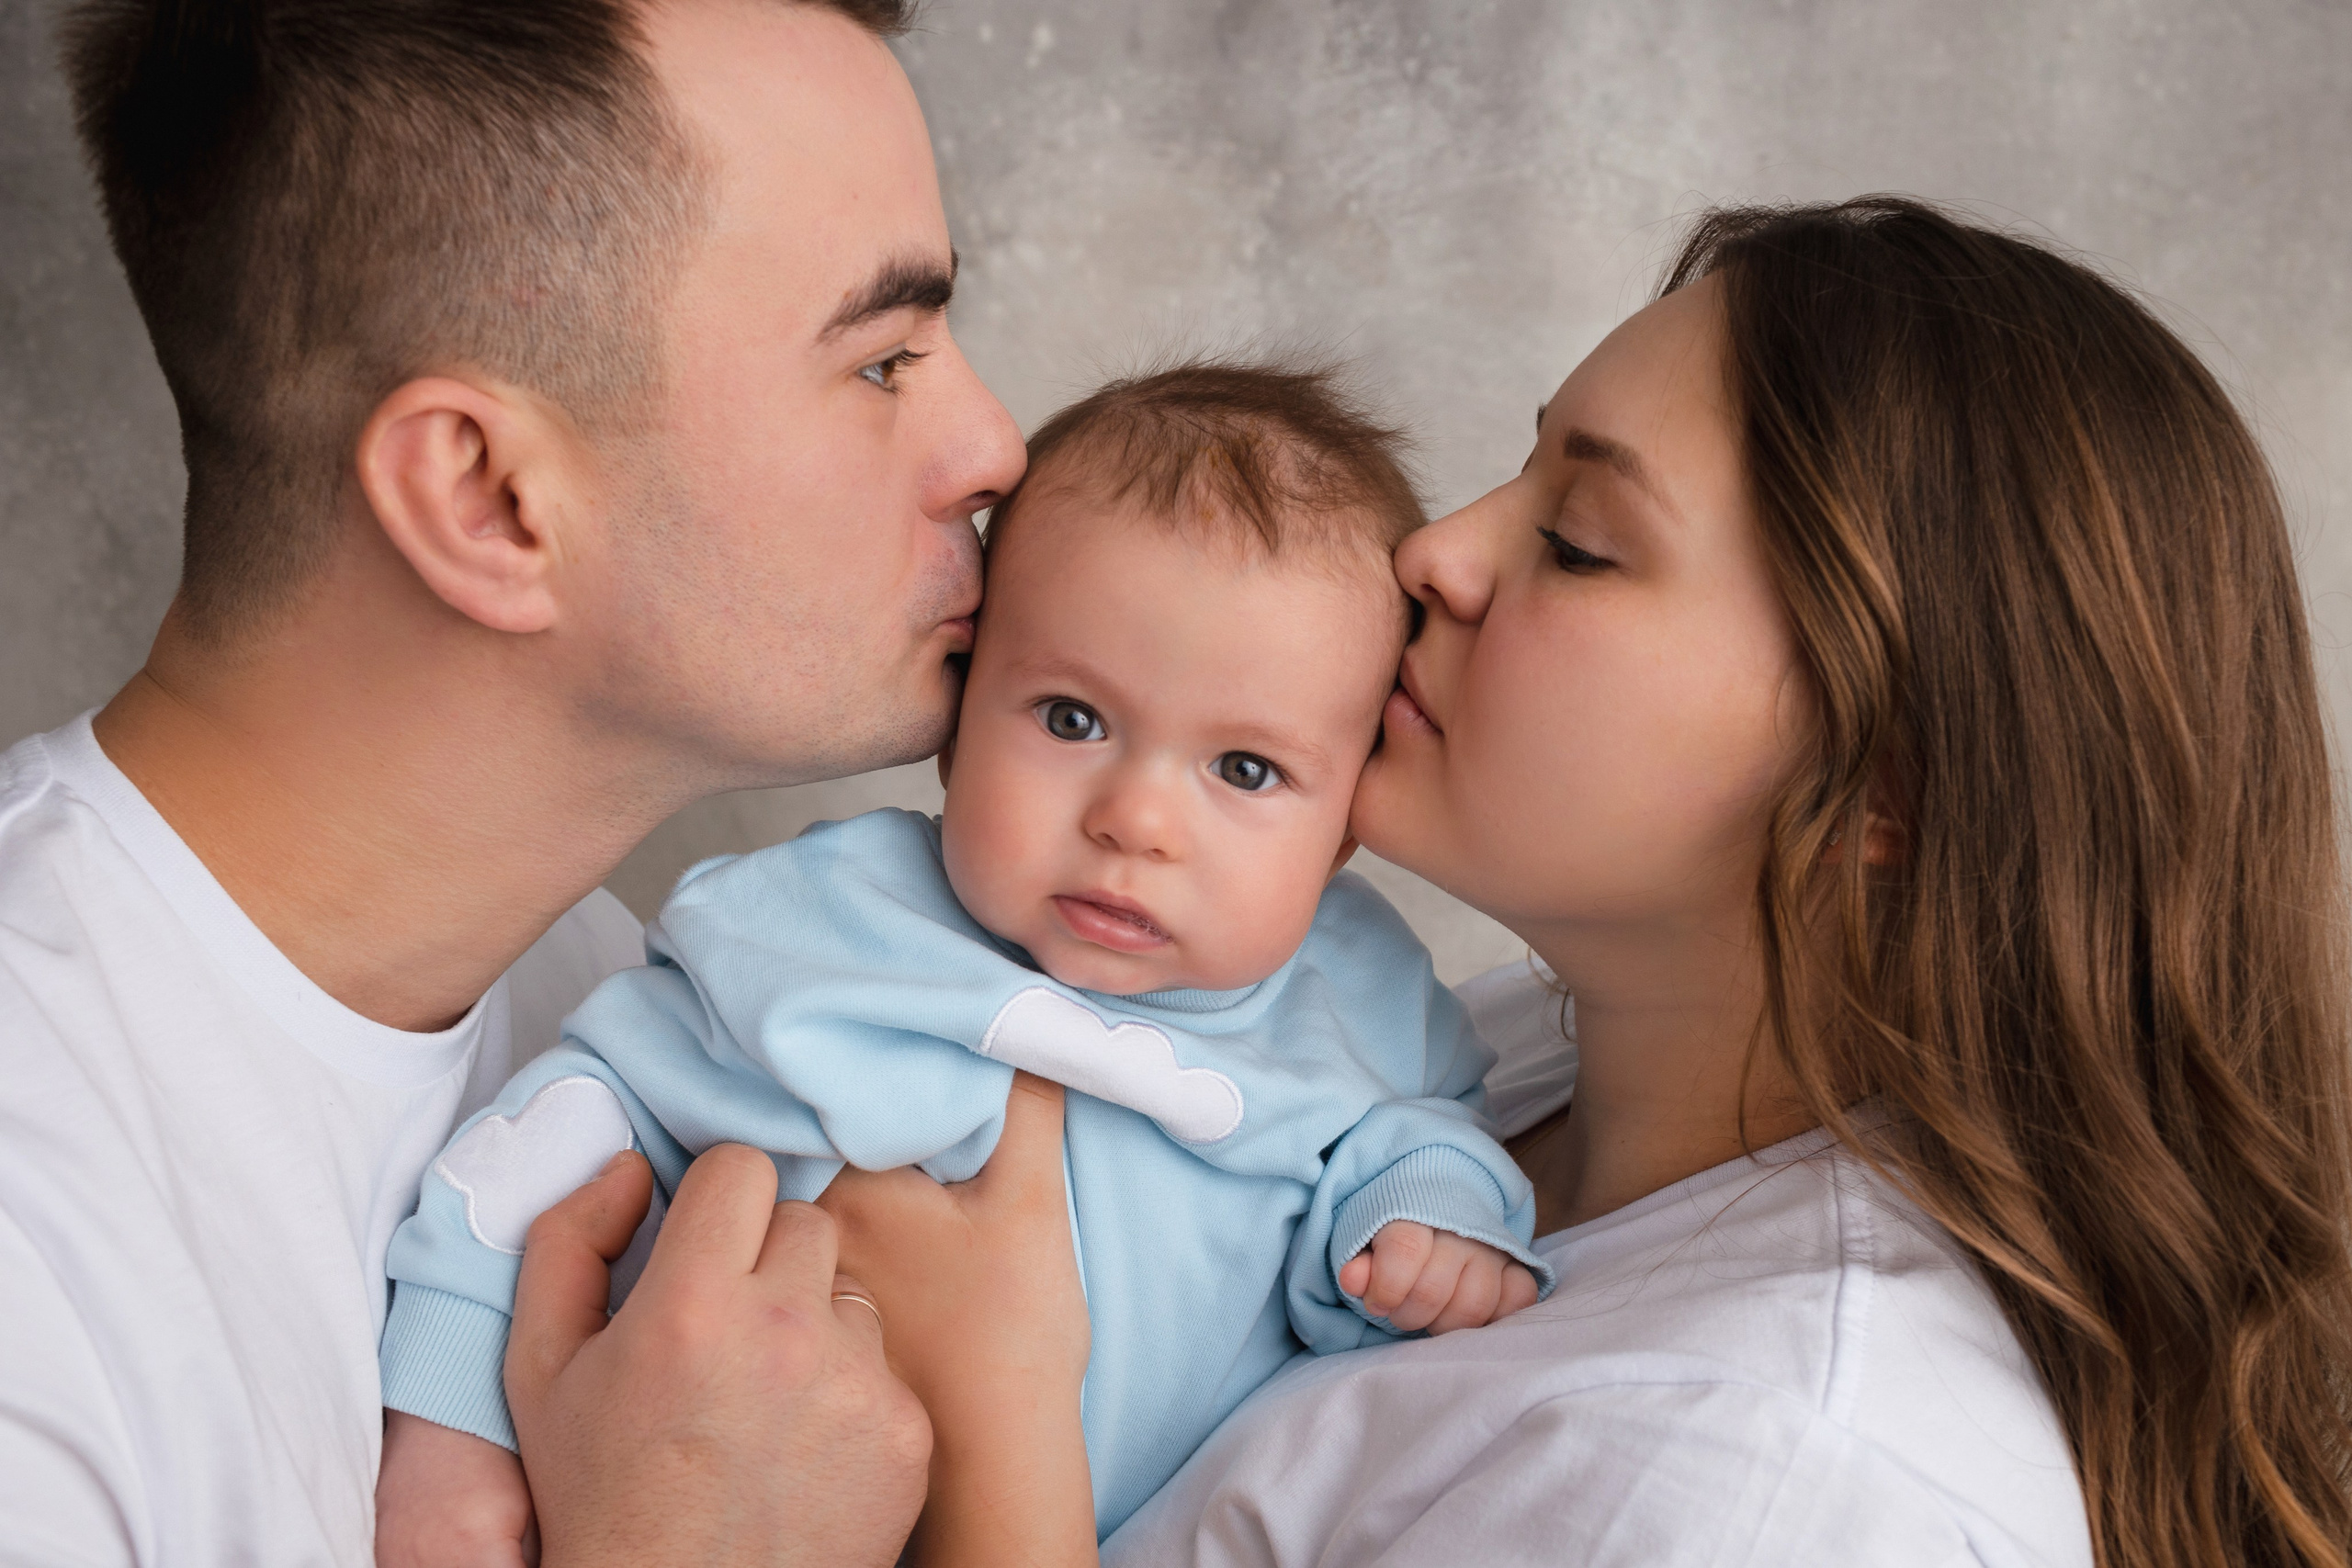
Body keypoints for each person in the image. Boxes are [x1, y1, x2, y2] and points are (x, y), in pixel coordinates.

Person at [819, 197, 2352, 1568]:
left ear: (1893, 788)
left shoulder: (1766, 1483)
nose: (1435, 556)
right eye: (1518, 467)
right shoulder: (1513, 1058)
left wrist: (994, 1414)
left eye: (1578, 542)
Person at [0, 0, 1026, 1562]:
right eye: (882, 360)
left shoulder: (666, 1024)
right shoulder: (36, 1239)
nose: (994, 448)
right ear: (488, 501)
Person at [371, 361, 1550, 1558]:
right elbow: (557, 1140)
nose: (1135, 820)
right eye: (1070, 719)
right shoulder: (830, 924)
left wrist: (1429, 1224)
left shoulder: (1358, 1002)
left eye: (1245, 771)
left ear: (1347, 821)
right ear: (960, 710)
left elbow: (1421, 1137)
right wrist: (449, 1427)